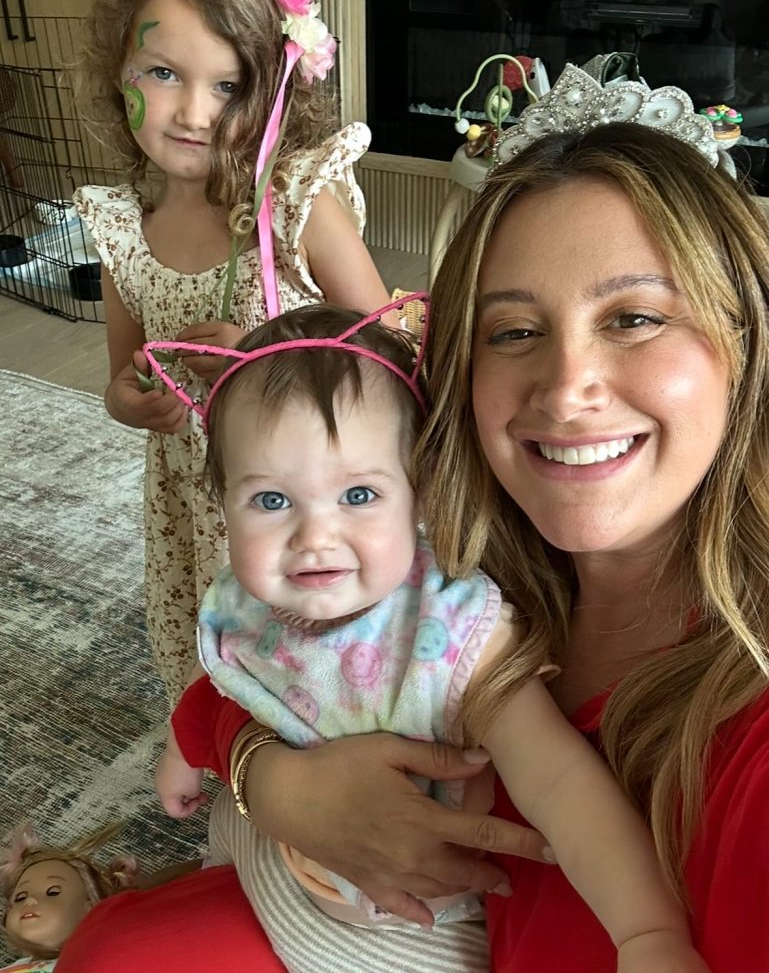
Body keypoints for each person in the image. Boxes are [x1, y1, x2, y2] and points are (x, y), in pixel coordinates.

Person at [55, 65, 769, 972]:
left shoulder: (741, 739)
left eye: (633, 317)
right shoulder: (454, 553)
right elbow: (271, 655)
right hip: (303, 898)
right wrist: (268, 779)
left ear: (744, 340)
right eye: (512, 331)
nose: (565, 387)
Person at [147, 299, 707, 973]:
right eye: (270, 500)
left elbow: (560, 782)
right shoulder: (244, 601)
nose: (313, 536)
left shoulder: (450, 633)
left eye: (357, 495)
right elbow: (228, 677)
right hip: (273, 850)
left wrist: (646, 933)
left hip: (403, 933)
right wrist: (187, 754)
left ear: (420, 496)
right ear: (223, 502)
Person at [72, 0, 391, 701]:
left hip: (302, 504)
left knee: (309, 661)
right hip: (193, 503)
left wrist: (261, 360)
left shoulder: (297, 210)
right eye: (161, 73)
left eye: (226, 86)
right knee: (216, 652)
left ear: (277, 89)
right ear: (116, 71)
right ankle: (223, 732)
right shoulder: (123, 227)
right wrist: (129, 399)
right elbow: (123, 374)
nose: (193, 112)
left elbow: (392, 352)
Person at [0, 824, 137, 971]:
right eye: (20, 897)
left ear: (91, 909)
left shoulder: (97, 959)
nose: (29, 900)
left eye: (52, 893)